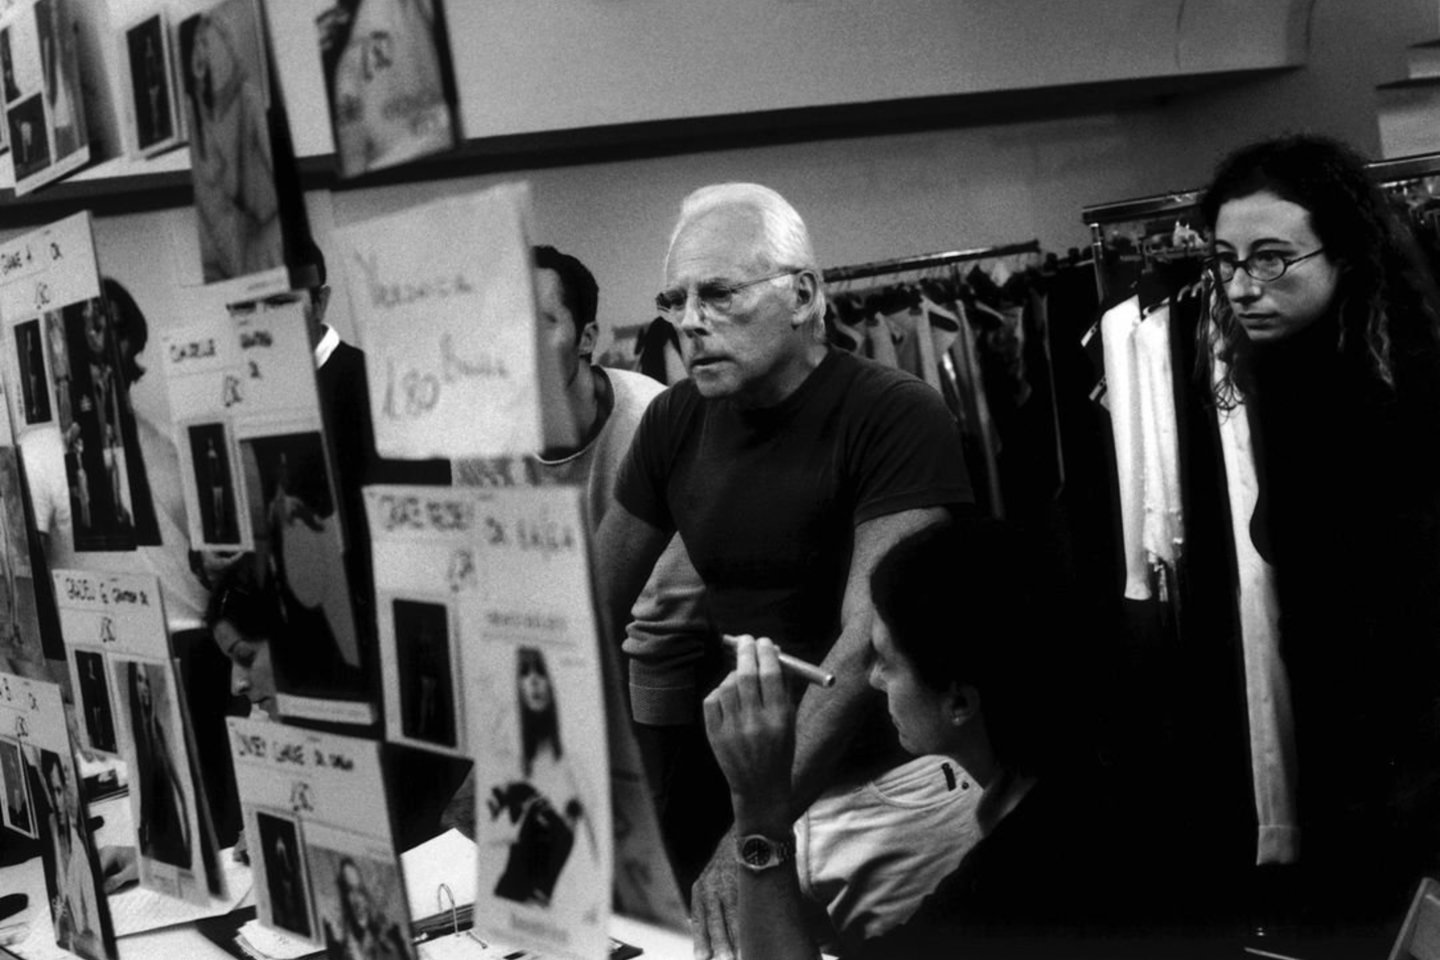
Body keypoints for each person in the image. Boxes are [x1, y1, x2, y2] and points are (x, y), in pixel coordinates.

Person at [597, 183, 974, 954]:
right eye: (674, 300)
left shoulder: (893, 413)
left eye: (718, 295)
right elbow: (588, 603)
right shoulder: (675, 420)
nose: (689, 321)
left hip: (890, 792)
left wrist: (751, 833)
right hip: (759, 790)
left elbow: (861, 650)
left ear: (802, 295)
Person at [704, 521, 1146, 958]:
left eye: (886, 661)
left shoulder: (1016, 881)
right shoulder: (1087, 779)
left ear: (959, 702)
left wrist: (759, 808)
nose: (873, 679)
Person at [1200, 134, 1440, 925]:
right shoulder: (1287, 371)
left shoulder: (1400, 387)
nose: (1243, 286)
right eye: (1226, 261)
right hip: (1349, 731)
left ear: (1345, 254)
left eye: (1271, 259)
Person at [487, 647, 597, 907]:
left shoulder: (575, 766)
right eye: (525, 673)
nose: (534, 680)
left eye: (541, 672)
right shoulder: (509, 762)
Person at [182, 11, 281, 281]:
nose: (201, 53)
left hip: (266, 238)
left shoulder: (248, 99)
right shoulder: (198, 113)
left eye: (206, 42)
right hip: (232, 251)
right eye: (196, 44)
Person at [126, 661, 192, 870]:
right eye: (139, 680)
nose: (144, 688)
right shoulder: (140, 737)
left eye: (146, 681)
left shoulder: (158, 730)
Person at [38, 750, 103, 956]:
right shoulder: (54, 832)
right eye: (52, 791)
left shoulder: (77, 846)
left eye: (59, 790)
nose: (57, 802)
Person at [324, 856, 415, 960]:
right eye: (350, 889)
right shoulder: (341, 948)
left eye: (360, 889)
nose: (358, 899)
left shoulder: (392, 936)